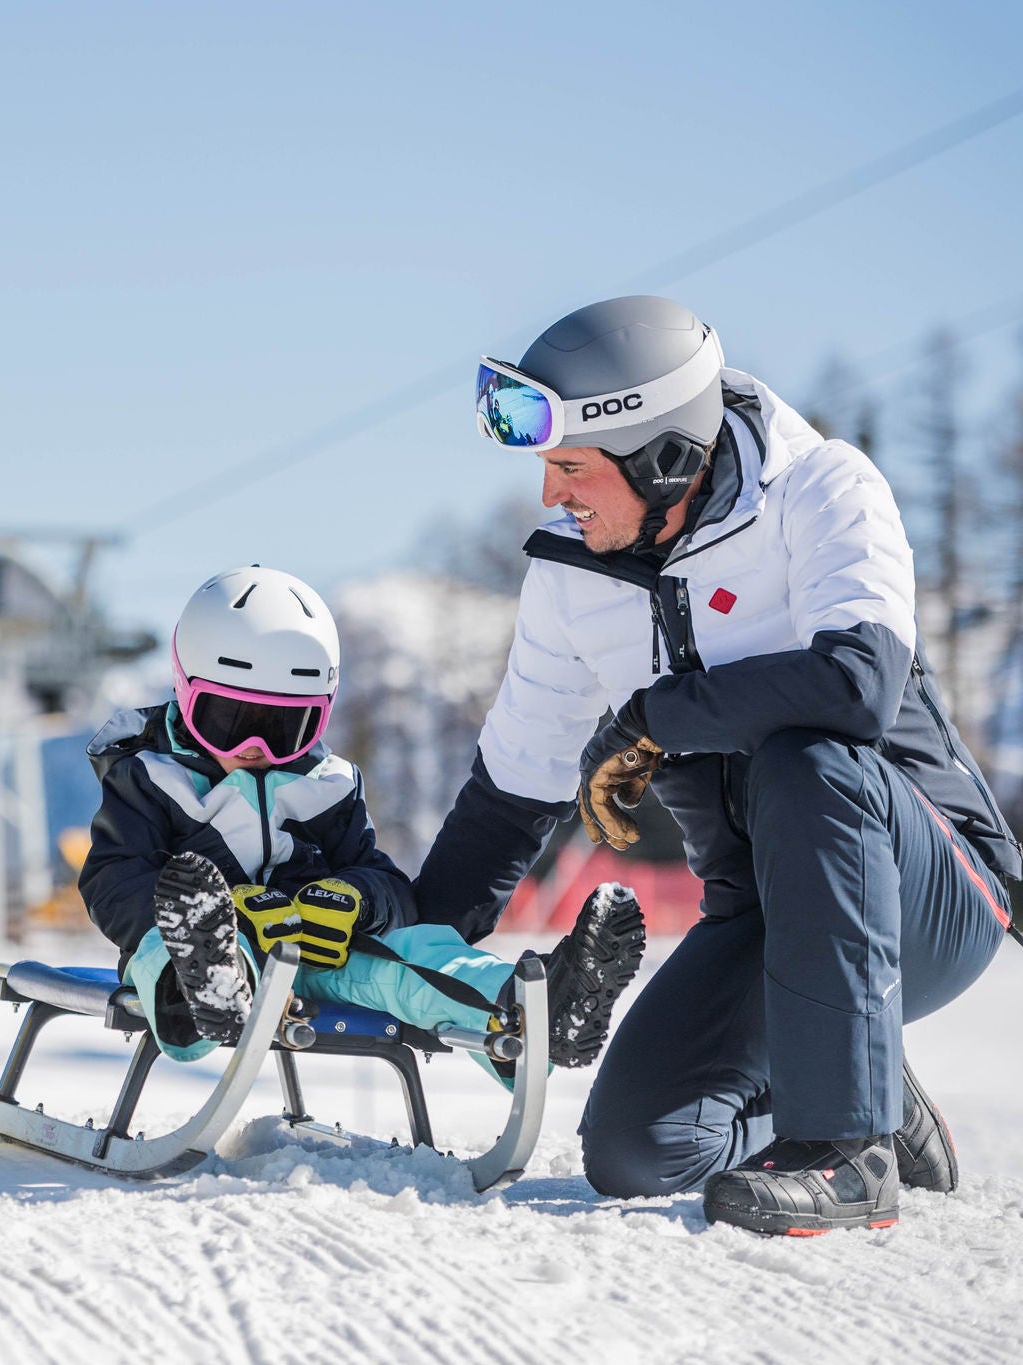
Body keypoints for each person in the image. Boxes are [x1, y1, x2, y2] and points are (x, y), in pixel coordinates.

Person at [418, 294, 1020, 1233]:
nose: (552, 496)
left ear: (665, 460)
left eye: (571, 467)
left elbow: (856, 686)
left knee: (807, 758)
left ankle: (847, 1155)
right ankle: (869, 1088)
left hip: (931, 897)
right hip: (770, 915)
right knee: (636, 1150)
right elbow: (509, 798)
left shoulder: (822, 489)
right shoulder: (571, 577)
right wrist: (406, 958)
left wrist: (655, 717)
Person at [78, 566, 646, 1075]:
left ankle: (535, 1009)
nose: (255, 747)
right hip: (198, 948)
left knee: (416, 956)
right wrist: (222, 918)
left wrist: (356, 900)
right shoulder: (150, 779)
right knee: (164, 946)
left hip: (320, 957)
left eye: (284, 729)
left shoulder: (328, 784)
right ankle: (210, 975)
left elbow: (384, 882)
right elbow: (113, 878)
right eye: (229, 721)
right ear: (184, 690)